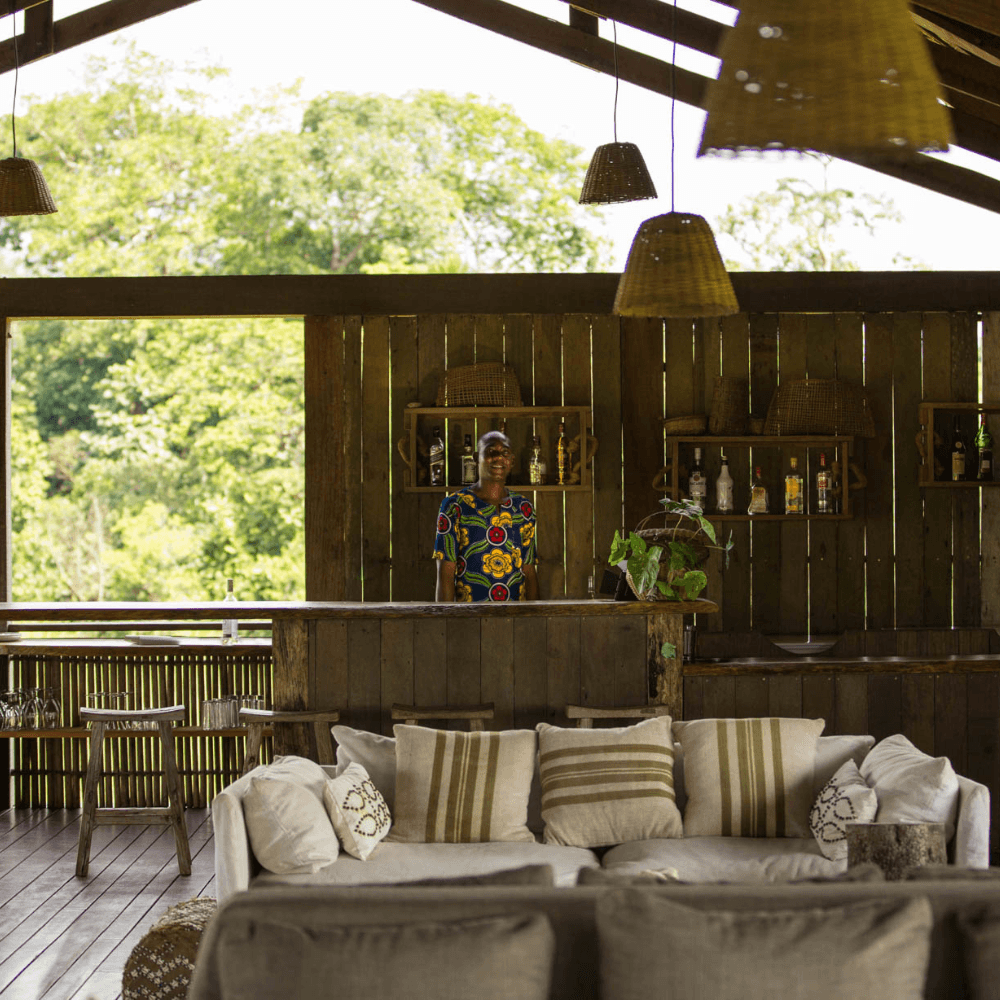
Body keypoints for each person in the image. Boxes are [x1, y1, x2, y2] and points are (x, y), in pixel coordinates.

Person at [434, 430, 538, 602]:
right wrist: (447, 622)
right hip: (469, 619)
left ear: (511, 461)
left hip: (516, 619)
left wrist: (534, 621)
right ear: (475, 457)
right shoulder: (454, 506)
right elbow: (445, 572)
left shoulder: (523, 508)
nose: (498, 458)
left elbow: (529, 572)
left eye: (505, 453)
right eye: (491, 452)